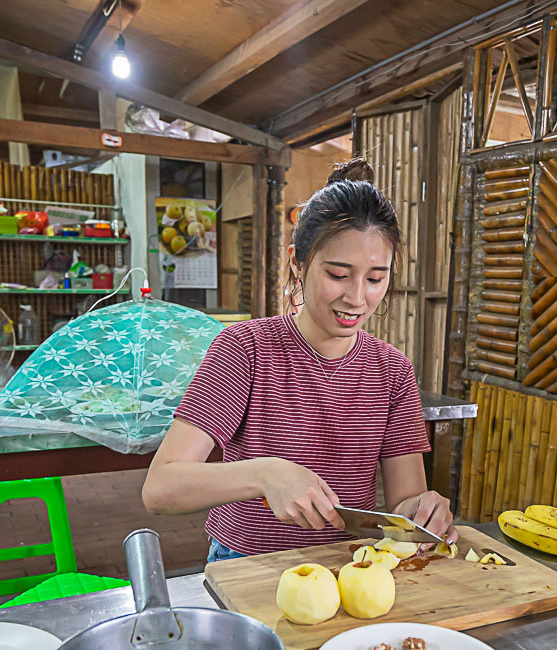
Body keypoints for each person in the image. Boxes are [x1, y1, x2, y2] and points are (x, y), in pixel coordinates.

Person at [141, 159, 457, 562]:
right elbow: (160, 489)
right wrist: (264, 473)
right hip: (247, 566)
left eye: (376, 278)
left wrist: (422, 512)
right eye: (338, 275)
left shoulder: (392, 370)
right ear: (297, 261)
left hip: (353, 565)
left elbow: (403, 504)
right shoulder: (245, 349)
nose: (357, 298)